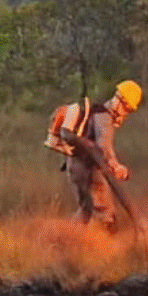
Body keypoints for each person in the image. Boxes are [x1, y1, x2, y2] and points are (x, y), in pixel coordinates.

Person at [56, 80, 142, 232]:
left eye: (128, 110)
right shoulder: (105, 118)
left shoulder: (97, 112)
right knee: (105, 212)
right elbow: (104, 148)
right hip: (88, 170)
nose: (124, 113)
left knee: (86, 210)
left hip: (75, 166)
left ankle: (66, 238)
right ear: (118, 100)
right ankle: (102, 247)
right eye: (126, 108)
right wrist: (116, 166)